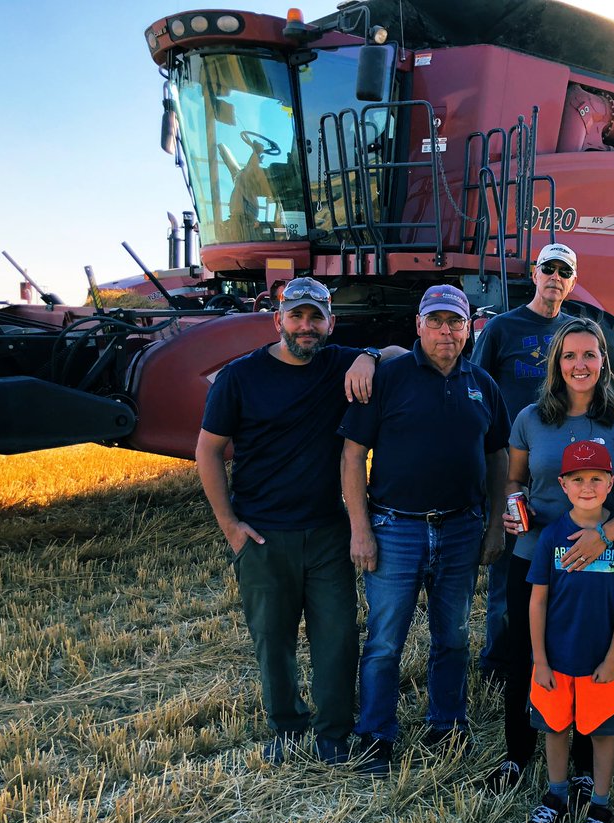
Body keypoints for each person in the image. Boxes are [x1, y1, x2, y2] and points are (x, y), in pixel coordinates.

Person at [195, 276, 379, 766]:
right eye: (295, 316)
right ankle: (287, 726)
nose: (305, 325)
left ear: (330, 323)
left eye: (315, 316)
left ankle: (334, 733)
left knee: (338, 637)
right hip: (262, 534)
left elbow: (403, 354)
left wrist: (372, 355)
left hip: (326, 531)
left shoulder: (339, 364)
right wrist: (231, 528)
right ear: (277, 321)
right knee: (273, 642)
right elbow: (208, 452)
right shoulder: (240, 377)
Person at [485, 317, 614, 801]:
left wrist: (605, 535)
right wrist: (512, 511)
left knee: (590, 661)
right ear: (556, 363)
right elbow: (515, 481)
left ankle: (586, 766)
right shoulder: (530, 419)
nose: (580, 364)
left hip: (599, 563)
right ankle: (517, 753)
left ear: (604, 362)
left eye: (590, 355)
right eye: (570, 356)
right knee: (525, 656)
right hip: (535, 557)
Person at [339, 284, 510, 773]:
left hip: (461, 528)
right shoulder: (388, 378)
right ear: (418, 325)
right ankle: (375, 736)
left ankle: (447, 726)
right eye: (435, 322)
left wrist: (495, 523)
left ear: (469, 328)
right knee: (385, 640)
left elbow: (497, 456)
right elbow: (352, 455)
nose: (445, 332)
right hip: (396, 528)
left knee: (453, 636)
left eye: (455, 322)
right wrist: (360, 527)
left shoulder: (482, 384)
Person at [521, 440, 614, 823]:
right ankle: (556, 796)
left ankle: (600, 808)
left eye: (597, 478)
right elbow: (537, 600)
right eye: (578, 479)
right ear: (563, 484)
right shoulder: (553, 536)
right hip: (555, 660)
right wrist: (539, 659)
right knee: (555, 728)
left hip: (601, 662)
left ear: (611, 483)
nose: (587, 486)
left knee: (602, 733)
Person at [470, 243, 579, 681]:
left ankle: (551, 655)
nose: (554, 276)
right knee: (508, 565)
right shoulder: (501, 328)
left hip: (563, 470)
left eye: (563, 271)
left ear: (572, 282)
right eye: (547, 268)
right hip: (512, 469)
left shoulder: (579, 330)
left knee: (562, 562)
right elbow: (476, 389)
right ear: (534, 274)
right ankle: (500, 661)